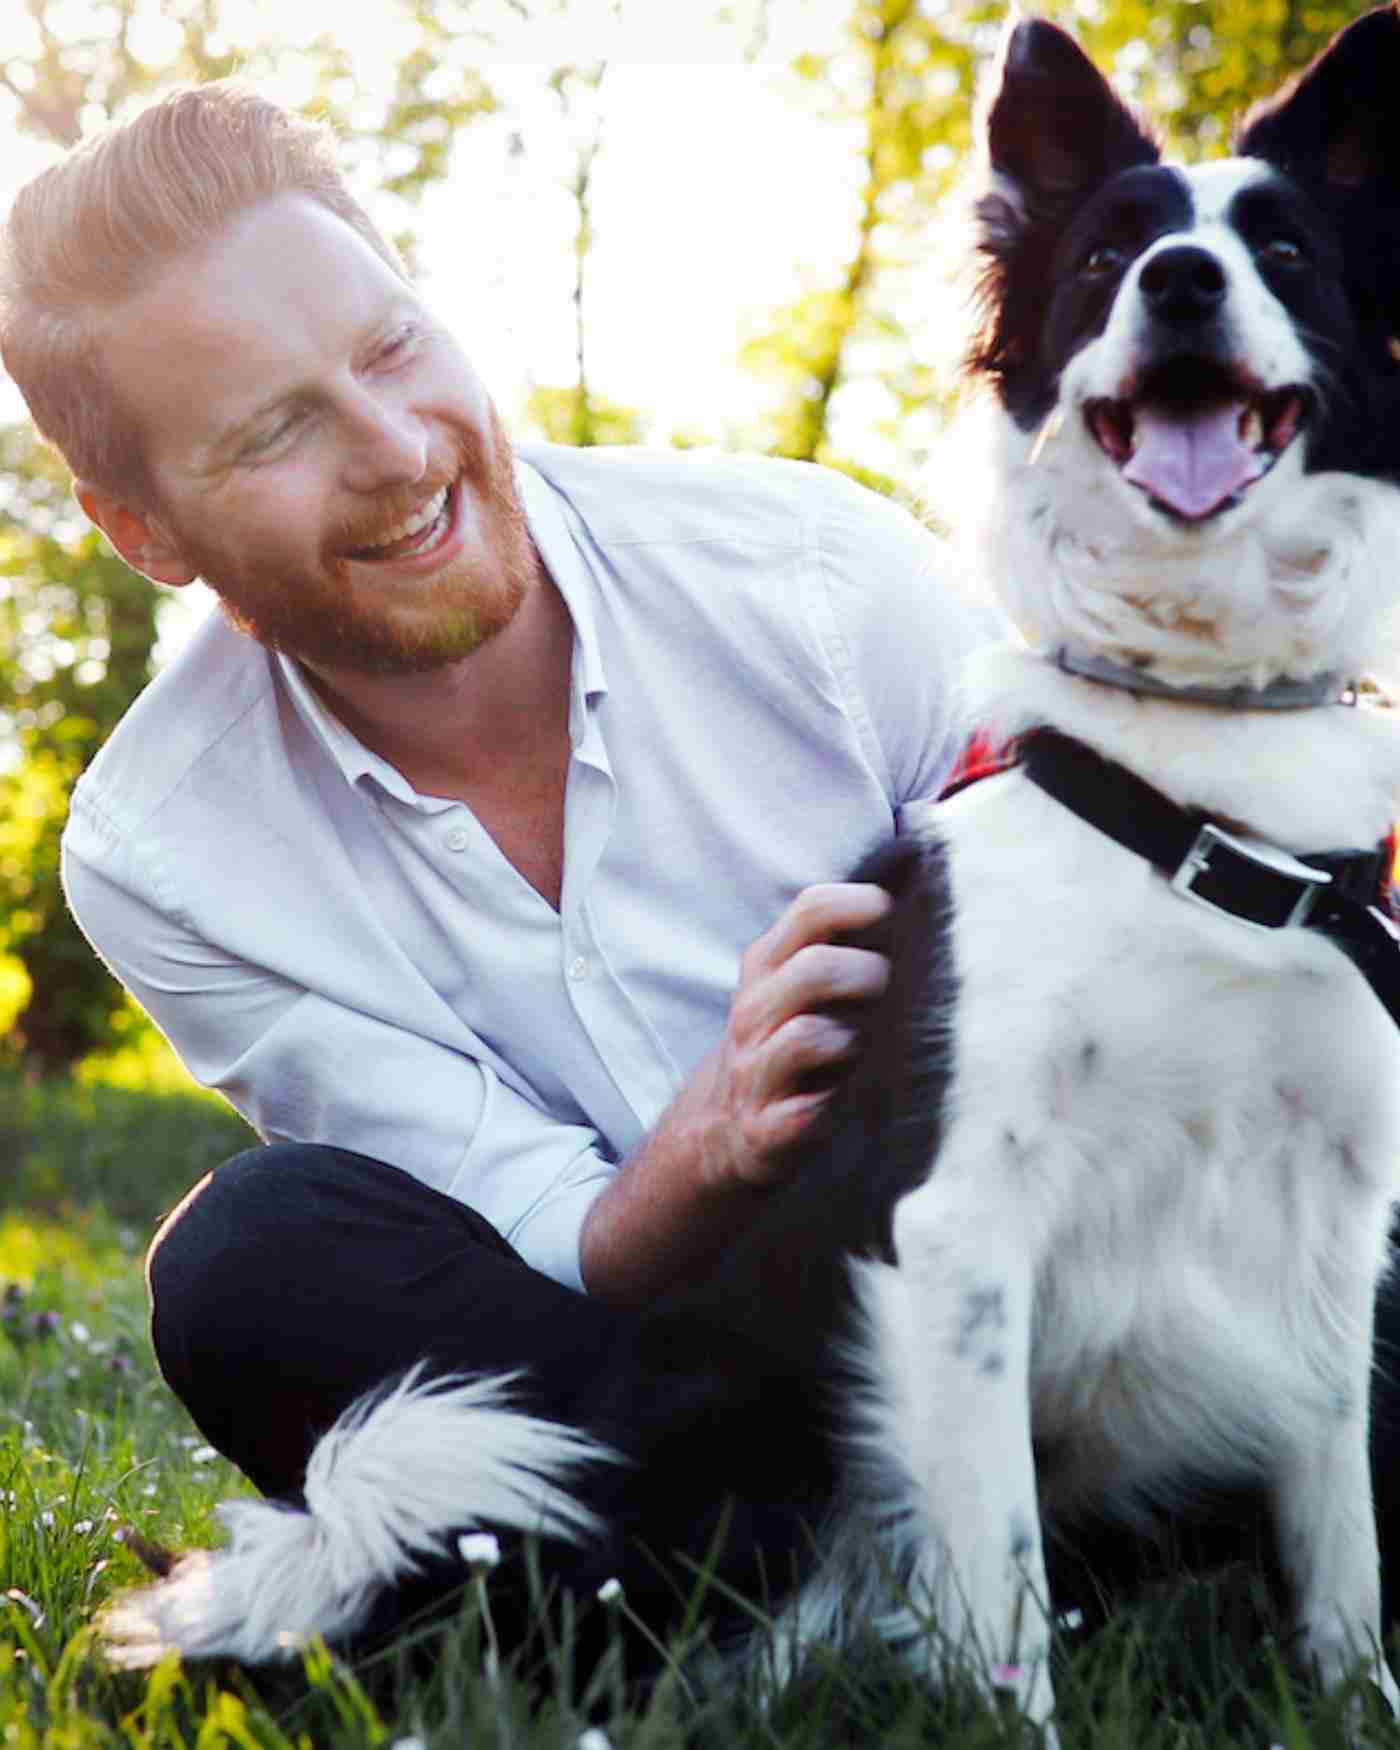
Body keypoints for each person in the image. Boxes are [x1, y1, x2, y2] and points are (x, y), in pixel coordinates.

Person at [0, 83, 985, 1662]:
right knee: (251, 1260)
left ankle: (626, 1592)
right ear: (144, 530)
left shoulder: (822, 582)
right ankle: (821, 1569)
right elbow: (540, 1227)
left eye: (391, 348)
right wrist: (714, 1137)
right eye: (274, 429)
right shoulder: (161, 851)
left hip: (1009, 1287)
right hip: (632, 1358)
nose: (397, 453)